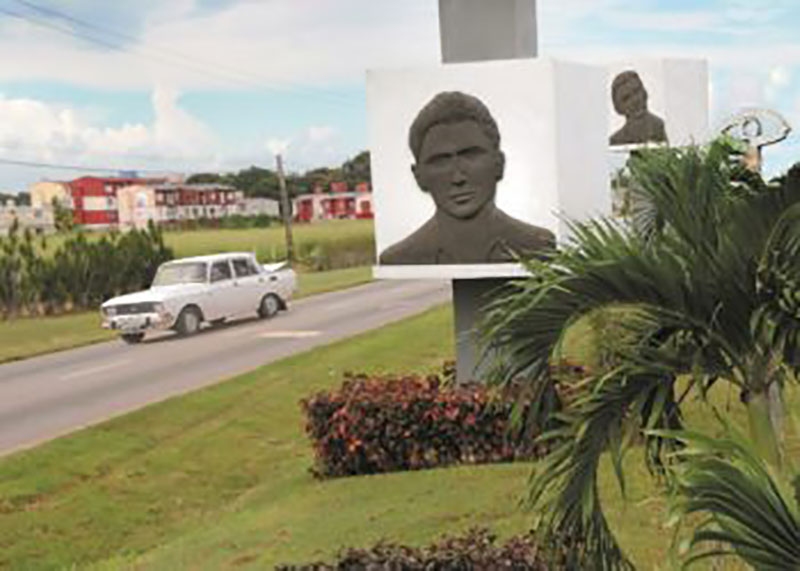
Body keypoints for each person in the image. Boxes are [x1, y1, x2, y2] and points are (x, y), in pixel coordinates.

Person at [379, 91, 555, 265]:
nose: (458, 178)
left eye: (471, 156)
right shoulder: (400, 258)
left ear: (498, 163)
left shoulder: (538, 244)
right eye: (440, 161)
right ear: (419, 177)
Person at [609, 70, 667, 146]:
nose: (634, 101)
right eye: (626, 98)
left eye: (636, 92)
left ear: (644, 93)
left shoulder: (662, 128)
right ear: (618, 108)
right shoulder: (615, 141)